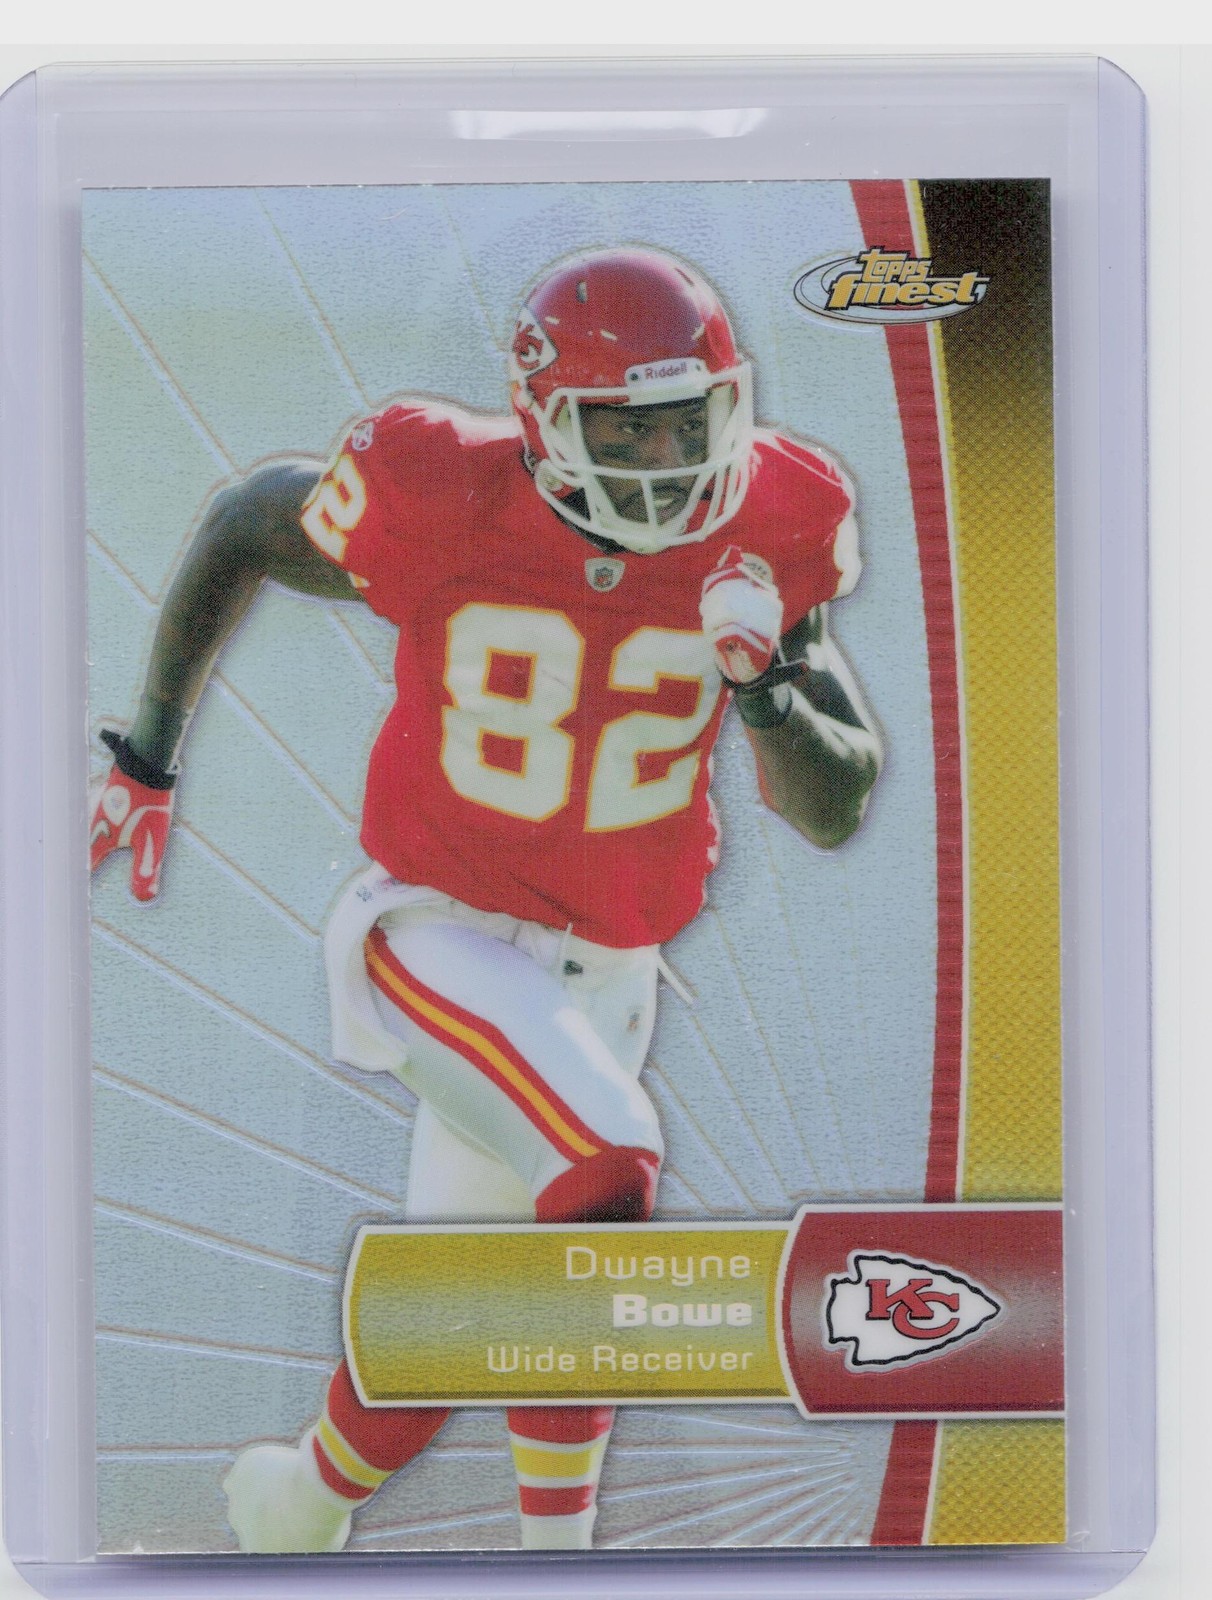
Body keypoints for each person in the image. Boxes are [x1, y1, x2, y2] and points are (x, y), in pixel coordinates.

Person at [89, 246, 882, 1552]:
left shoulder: (776, 521)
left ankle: (302, 1502)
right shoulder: (442, 491)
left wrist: (764, 687)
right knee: (608, 1160)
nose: (670, 457)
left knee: (464, 1316)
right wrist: (148, 757)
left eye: (690, 420)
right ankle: (562, 1566)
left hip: (611, 976)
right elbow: (246, 524)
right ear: (545, 422)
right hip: (435, 933)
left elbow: (836, 801)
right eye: (627, 428)